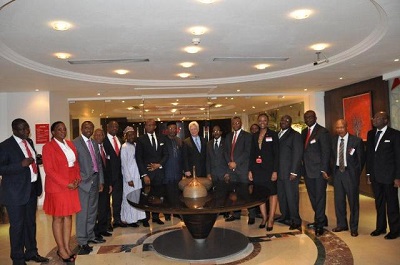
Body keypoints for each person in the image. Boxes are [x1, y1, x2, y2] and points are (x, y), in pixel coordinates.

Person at [0, 118, 49, 265]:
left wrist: (37, 160)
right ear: (14, 130)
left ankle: (31, 252)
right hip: (15, 193)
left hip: (31, 189)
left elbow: (30, 160)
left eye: (27, 128)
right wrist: (20, 164)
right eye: (22, 129)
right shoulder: (5, 146)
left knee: (30, 224)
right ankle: (18, 259)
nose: (26, 131)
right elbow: (1, 168)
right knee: (17, 227)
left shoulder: (29, 142)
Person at [42, 121, 81, 262]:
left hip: (72, 184)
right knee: (58, 217)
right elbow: (49, 170)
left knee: (68, 216)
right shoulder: (48, 147)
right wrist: (66, 183)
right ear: (53, 132)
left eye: (64, 129)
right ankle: (61, 249)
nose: (63, 131)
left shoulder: (70, 144)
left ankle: (67, 247)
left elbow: (76, 164)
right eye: (59, 129)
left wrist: (77, 179)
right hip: (58, 187)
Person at [366, 111, 400, 239]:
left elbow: (398, 157)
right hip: (375, 176)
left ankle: (395, 230)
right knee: (379, 203)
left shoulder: (395, 134)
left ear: (386, 120)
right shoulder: (370, 134)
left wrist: (398, 177)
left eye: (378, 118)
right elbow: (370, 155)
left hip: (389, 176)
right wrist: (369, 173)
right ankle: (380, 227)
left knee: (392, 203)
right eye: (374, 117)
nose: (375, 119)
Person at [73, 121, 105, 254]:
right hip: (84, 183)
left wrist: (101, 181)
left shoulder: (94, 143)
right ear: (81, 129)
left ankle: (90, 235)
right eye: (86, 127)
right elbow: (74, 164)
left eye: (91, 128)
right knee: (83, 213)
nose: (89, 130)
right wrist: (80, 179)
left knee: (92, 211)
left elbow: (99, 164)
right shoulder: (75, 143)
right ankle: (82, 240)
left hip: (95, 181)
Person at [331, 119, 364, 237]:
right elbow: (331, 157)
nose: (339, 130)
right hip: (338, 174)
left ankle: (354, 227)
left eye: (341, 127)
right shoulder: (333, 140)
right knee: (339, 201)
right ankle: (342, 224)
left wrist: (355, 174)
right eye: (337, 128)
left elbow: (361, 160)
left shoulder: (356, 141)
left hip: (350, 174)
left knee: (353, 202)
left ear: (346, 127)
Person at [302, 110, 331, 236]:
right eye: (306, 117)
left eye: (310, 117)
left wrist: (324, 169)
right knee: (313, 197)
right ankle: (322, 218)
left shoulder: (322, 131)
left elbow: (326, 152)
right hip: (307, 171)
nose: (308, 119)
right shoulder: (304, 132)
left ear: (315, 117)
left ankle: (319, 224)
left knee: (320, 197)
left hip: (319, 171)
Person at [248, 113, 279, 230]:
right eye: (260, 120)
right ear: (257, 121)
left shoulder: (273, 135)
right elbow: (252, 155)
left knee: (272, 194)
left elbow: (277, 155)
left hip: (270, 170)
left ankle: (271, 219)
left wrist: (275, 171)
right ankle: (264, 217)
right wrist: (250, 170)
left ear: (267, 121)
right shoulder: (254, 136)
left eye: (264, 120)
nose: (262, 122)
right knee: (260, 195)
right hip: (257, 170)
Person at [136, 119, 169, 225]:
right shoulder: (141, 139)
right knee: (146, 196)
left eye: (152, 125)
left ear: (155, 126)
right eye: (148, 125)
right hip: (147, 174)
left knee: (157, 195)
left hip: (159, 173)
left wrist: (159, 164)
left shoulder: (162, 138)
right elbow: (138, 158)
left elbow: (166, 154)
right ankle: (146, 218)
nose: (150, 127)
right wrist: (144, 174)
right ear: (145, 127)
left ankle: (156, 217)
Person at [224, 116, 252, 223]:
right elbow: (226, 151)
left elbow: (247, 152)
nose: (236, 124)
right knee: (234, 193)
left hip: (242, 169)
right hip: (231, 170)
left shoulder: (247, 136)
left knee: (246, 193)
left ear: (241, 124)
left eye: (238, 123)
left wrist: (236, 163)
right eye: (234, 123)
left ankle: (252, 215)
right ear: (232, 124)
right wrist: (229, 163)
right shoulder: (228, 136)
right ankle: (235, 214)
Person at [277, 115, 303, 230]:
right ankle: (285, 216)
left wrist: (294, 171)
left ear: (290, 123)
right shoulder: (278, 134)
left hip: (290, 173)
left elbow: (297, 154)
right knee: (282, 196)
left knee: (292, 197)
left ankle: (295, 220)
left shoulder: (295, 135)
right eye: (282, 120)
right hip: (279, 172)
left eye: (287, 120)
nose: (284, 122)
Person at [120, 126, 146, 226]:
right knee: (129, 198)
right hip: (130, 177)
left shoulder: (136, 145)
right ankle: (129, 219)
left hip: (138, 176)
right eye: (129, 135)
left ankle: (136, 217)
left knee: (137, 198)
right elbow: (124, 164)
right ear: (126, 136)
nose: (131, 136)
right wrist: (129, 179)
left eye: (133, 134)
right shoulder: (124, 147)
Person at [102, 120, 126, 228]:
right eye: (112, 126)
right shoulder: (103, 140)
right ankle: (107, 223)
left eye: (116, 127)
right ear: (107, 127)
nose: (115, 128)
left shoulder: (120, 140)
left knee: (118, 199)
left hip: (119, 175)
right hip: (107, 175)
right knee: (106, 201)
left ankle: (117, 220)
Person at [92, 128, 113, 238]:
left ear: (103, 136)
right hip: (96, 184)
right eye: (96, 135)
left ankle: (103, 228)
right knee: (96, 210)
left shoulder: (104, 148)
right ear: (93, 136)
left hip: (105, 183)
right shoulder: (91, 149)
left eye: (101, 135)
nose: (98, 137)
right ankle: (95, 232)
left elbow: (107, 167)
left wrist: (109, 183)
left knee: (104, 207)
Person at [163, 121, 183, 221]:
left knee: (177, 194)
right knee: (167, 194)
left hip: (178, 172)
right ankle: (167, 214)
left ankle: (176, 212)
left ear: (177, 130)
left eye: (174, 128)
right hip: (167, 172)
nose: (172, 130)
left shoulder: (179, 141)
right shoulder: (163, 141)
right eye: (170, 128)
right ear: (167, 130)